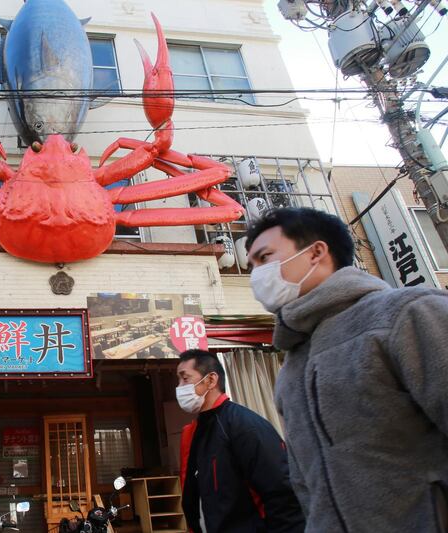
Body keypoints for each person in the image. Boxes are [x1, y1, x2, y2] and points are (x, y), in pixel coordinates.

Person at [245, 207, 448, 532]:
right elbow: (306, 485)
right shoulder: (291, 368)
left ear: (316, 253)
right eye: (251, 265)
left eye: (264, 257)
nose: (256, 274)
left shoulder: (408, 314)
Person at [177, 349, 305, 533]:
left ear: (211, 380)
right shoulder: (193, 433)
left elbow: (282, 495)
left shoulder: (245, 425)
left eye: (185, 378)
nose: (179, 386)